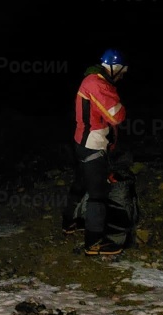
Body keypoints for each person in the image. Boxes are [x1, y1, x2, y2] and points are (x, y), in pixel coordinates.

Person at [61, 48, 129, 256]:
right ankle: (94, 242)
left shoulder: (93, 81)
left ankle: (69, 223)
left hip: (83, 142)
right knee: (98, 195)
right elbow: (116, 115)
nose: (122, 74)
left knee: (81, 184)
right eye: (121, 70)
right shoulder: (97, 83)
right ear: (112, 67)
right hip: (92, 144)